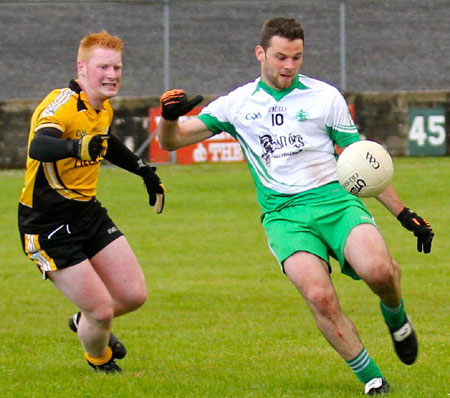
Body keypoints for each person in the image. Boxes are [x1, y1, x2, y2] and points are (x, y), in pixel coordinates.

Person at [156, 18, 434, 395]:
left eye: (297, 57)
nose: (288, 66)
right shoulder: (237, 105)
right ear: (261, 54)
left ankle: (396, 318)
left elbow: (361, 161)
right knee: (320, 296)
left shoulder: (325, 97)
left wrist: (404, 214)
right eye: (280, 57)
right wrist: (169, 118)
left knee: (380, 272)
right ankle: (372, 378)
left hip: (336, 202)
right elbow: (171, 143)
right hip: (285, 217)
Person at [18, 31, 165, 373]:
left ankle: (82, 322)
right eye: (103, 67)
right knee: (101, 311)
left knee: (132, 296)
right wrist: (75, 148)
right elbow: (39, 147)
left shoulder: (102, 107)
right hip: (48, 225)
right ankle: (99, 360)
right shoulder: (61, 104)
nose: (112, 74)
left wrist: (143, 170)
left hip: (87, 213)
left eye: (117, 67)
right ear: (82, 68)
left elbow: (106, 142)